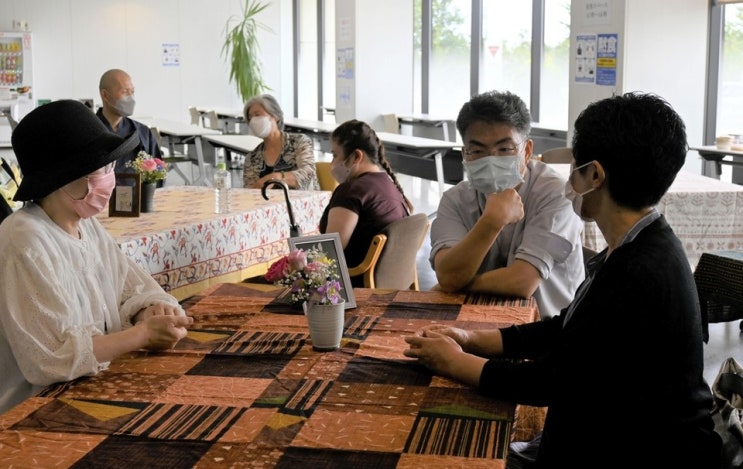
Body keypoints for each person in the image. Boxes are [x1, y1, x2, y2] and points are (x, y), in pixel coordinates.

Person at [404, 92, 722, 467]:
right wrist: (471, 339)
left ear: (595, 175)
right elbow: (565, 330)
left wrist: (456, 362)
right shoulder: (640, 245)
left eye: (576, 166)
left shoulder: (639, 270)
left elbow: (550, 381)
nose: (569, 179)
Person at [0, 100, 193, 415]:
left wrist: (151, 312)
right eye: (100, 168)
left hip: (91, 388)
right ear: (63, 177)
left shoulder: (86, 227)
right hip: (33, 409)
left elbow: (133, 287)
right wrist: (142, 335)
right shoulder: (24, 239)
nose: (109, 176)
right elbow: (51, 358)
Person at [430, 90, 584, 319]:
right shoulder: (454, 200)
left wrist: (457, 283)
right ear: (465, 154)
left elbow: (522, 282)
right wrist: (493, 219)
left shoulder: (556, 194)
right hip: (472, 323)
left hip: (547, 333)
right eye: (478, 151)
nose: (491, 159)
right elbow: (448, 274)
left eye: (505, 149)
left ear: (527, 150)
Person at [318, 119, 413, 286]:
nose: (332, 163)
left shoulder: (350, 191)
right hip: (390, 285)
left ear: (356, 156)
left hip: (351, 287)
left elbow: (329, 253)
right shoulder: (389, 185)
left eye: (335, 155)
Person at [242, 94, 319, 190]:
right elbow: (250, 190)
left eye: (257, 115)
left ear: (275, 116)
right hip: (270, 204)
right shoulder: (252, 157)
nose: (253, 120)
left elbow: (308, 175)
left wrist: (274, 177)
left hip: (303, 202)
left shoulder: (299, 142)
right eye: (250, 118)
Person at [96, 68, 161, 172]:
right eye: (125, 92)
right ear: (105, 95)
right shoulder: (88, 133)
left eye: (132, 92)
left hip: (136, 188)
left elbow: (156, 174)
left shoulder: (143, 133)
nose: (131, 98)